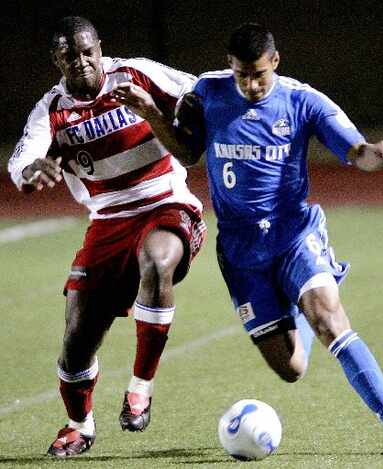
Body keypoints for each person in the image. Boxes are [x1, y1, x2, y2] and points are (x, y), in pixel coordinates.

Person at [116, 23, 383, 456]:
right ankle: (310, 298)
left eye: (259, 73)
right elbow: (186, 151)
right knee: (292, 368)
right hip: (241, 252)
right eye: (243, 74)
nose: (252, 83)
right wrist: (151, 112)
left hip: (295, 233)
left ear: (275, 62)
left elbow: (358, 153)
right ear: (230, 66)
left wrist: (379, 153)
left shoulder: (303, 101)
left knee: (329, 319)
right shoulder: (207, 93)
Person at [8, 16, 206, 458]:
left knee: (157, 261)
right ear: (56, 60)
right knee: (77, 337)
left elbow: (199, 88)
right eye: (68, 55)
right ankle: (79, 425)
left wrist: (183, 113)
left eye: (86, 51)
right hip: (108, 222)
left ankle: (140, 387)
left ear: (99, 47)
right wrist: (31, 169)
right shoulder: (51, 110)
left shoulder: (135, 74)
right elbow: (22, 157)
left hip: (166, 203)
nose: (80, 62)